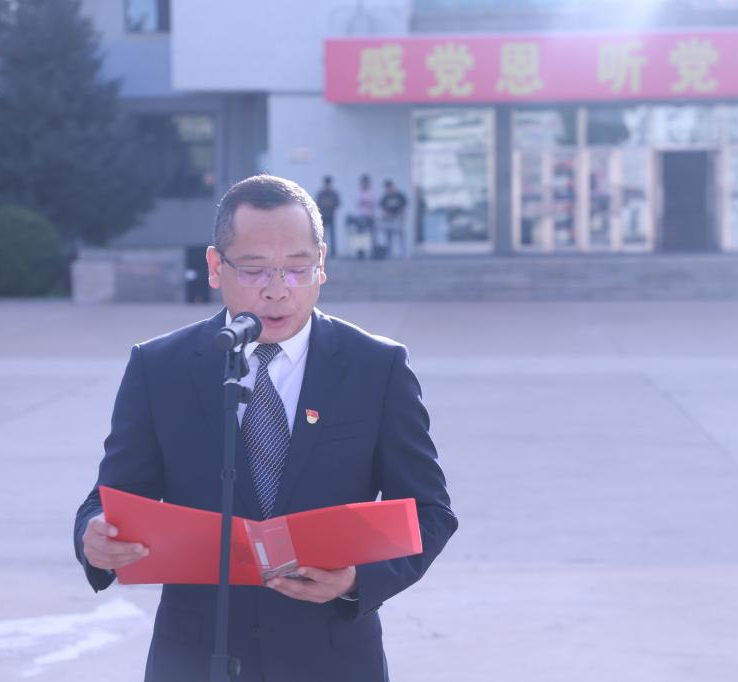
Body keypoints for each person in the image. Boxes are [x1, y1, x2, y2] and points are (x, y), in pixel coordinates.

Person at [74, 174, 457, 682]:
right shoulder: (160, 366)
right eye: (254, 270)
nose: (278, 290)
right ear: (216, 267)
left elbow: (431, 511)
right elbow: (112, 498)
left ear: (322, 263)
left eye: (298, 268)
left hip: (332, 658)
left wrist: (356, 581)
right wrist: (95, 537)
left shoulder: (375, 366)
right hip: (195, 657)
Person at [378, 179, 408, 258]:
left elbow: (404, 204)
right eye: (387, 188)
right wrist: (386, 213)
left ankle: (403, 253)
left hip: (398, 217)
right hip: (389, 218)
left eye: (389, 187)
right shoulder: (385, 196)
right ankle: (389, 253)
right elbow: (382, 206)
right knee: (389, 235)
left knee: (401, 235)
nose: (388, 189)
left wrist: (400, 212)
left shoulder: (399, 195)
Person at [350, 173, 377, 259]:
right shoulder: (358, 191)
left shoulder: (372, 191)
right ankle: (360, 252)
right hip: (360, 216)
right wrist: (365, 202)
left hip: (369, 216)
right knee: (360, 234)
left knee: (370, 234)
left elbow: (373, 203)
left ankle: (371, 252)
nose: (364, 183)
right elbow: (357, 202)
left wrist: (366, 202)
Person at [314, 175, 340, 257]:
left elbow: (337, 203)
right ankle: (322, 252)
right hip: (322, 216)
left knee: (332, 236)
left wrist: (329, 204)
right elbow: (316, 204)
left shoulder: (333, 193)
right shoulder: (321, 193)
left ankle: (333, 253)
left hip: (331, 216)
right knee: (322, 236)